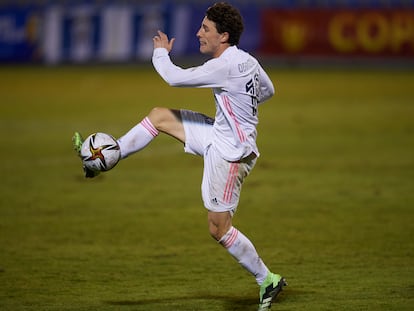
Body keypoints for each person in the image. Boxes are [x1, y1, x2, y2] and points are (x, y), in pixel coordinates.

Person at [72, 2, 286, 310]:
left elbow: (174, 78)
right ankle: (111, 154)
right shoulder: (247, 61)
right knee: (160, 116)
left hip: (230, 155)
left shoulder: (223, 66)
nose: (199, 33)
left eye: (205, 29)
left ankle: (268, 279)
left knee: (218, 228)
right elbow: (268, 90)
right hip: (218, 135)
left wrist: (160, 51)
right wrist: (239, 111)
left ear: (223, 36)